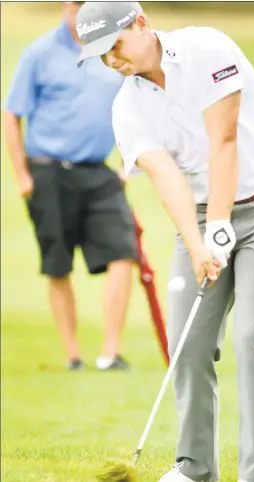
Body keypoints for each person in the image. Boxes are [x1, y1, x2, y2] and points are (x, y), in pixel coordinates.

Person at [76, 2, 254, 482]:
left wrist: (223, 220)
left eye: (114, 45)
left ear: (140, 24)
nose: (111, 60)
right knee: (188, 342)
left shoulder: (207, 48)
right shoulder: (127, 106)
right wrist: (200, 242)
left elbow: (223, 139)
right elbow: (166, 178)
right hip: (200, 214)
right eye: (100, 56)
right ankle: (195, 468)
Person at [4, 1, 139, 372]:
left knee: (124, 254)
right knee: (58, 265)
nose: (79, 10)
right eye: (75, 3)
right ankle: (74, 355)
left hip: (100, 172)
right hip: (49, 172)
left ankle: (110, 353)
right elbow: (12, 113)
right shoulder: (40, 53)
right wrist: (22, 174)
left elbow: (138, 105)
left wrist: (131, 162)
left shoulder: (114, 47)